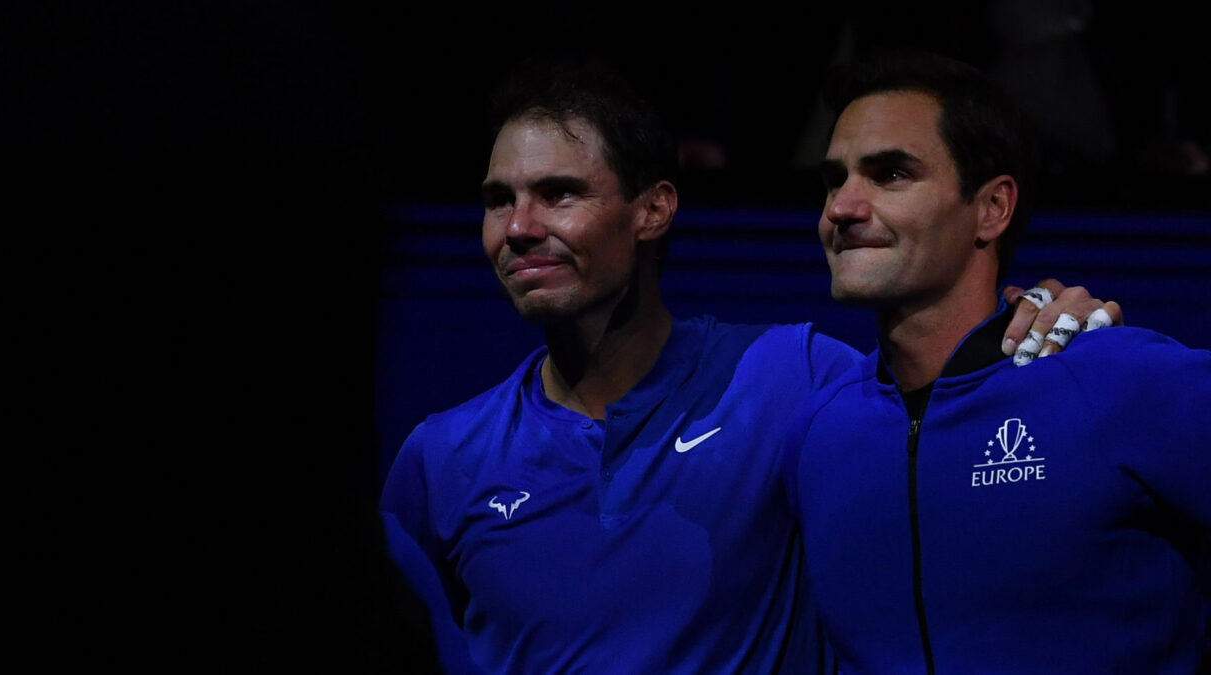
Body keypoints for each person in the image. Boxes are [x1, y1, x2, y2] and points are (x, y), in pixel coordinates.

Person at [380, 55, 1117, 674]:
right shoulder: (437, 461)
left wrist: (1040, 307)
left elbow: (947, 386)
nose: (518, 228)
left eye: (558, 194)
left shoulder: (794, 377)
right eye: (496, 200)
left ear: (654, 210)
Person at [781, 49, 1211, 673]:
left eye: (891, 174)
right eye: (834, 179)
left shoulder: (1117, 379)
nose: (841, 208)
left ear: (992, 209)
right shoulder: (816, 432)